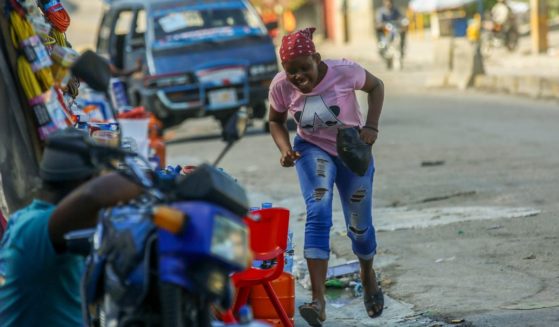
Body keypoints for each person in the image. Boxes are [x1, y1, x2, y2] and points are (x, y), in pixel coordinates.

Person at [268, 27, 384, 326]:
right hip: (310, 150)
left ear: (317, 59)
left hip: (351, 151)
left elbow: (377, 86)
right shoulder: (281, 86)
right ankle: (318, 301)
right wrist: (284, 149)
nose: (298, 76)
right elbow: (275, 120)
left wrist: (371, 126)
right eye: (290, 71)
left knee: (359, 226)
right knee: (318, 209)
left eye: (304, 68)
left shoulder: (344, 71)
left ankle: (367, 274)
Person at [0, 129, 143, 327]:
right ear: (82, 183)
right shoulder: (35, 228)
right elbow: (92, 196)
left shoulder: (23, 218)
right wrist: (149, 181)